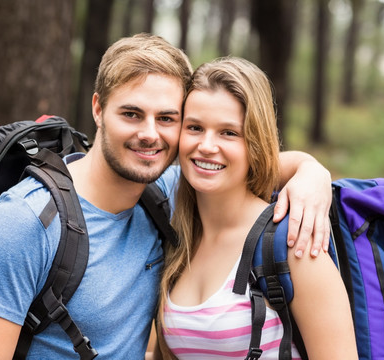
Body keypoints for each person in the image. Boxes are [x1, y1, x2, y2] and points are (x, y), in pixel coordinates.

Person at [0, 34, 333, 360]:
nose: (150, 134)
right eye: (131, 114)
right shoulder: (24, 225)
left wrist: (311, 172)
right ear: (98, 109)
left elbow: (240, 163)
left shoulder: (162, 194)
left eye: (167, 119)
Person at [153, 57, 357, 359]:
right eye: (195, 127)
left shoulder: (293, 242)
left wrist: (312, 169)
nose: (207, 145)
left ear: (255, 143)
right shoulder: (176, 232)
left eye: (229, 132)